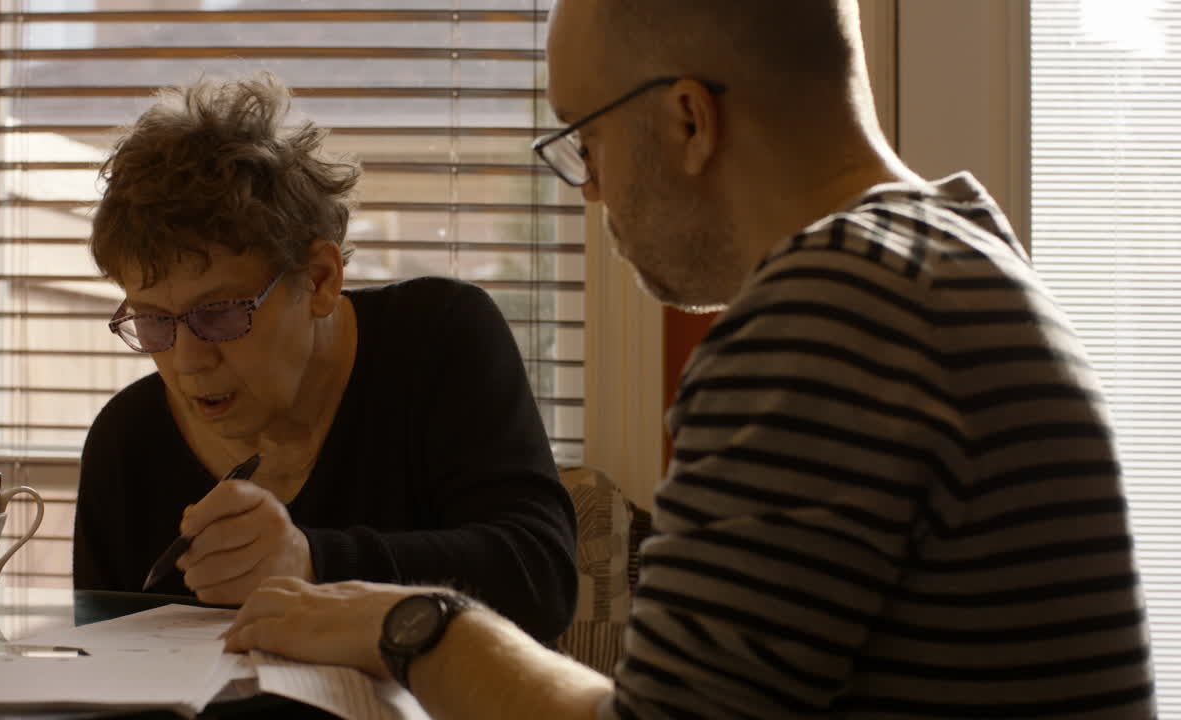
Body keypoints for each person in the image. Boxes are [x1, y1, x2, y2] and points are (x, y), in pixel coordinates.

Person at [223, 1, 1157, 718]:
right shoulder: (957, 255)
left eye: (587, 140)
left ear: (687, 121)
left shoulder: (828, 314)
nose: (590, 191)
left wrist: (415, 625)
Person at [72, 73, 578, 644]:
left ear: (319, 279)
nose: (188, 361)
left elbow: (541, 582)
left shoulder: (439, 339)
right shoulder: (128, 442)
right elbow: (101, 665)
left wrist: (312, 562)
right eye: (154, 320)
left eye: (220, 313)